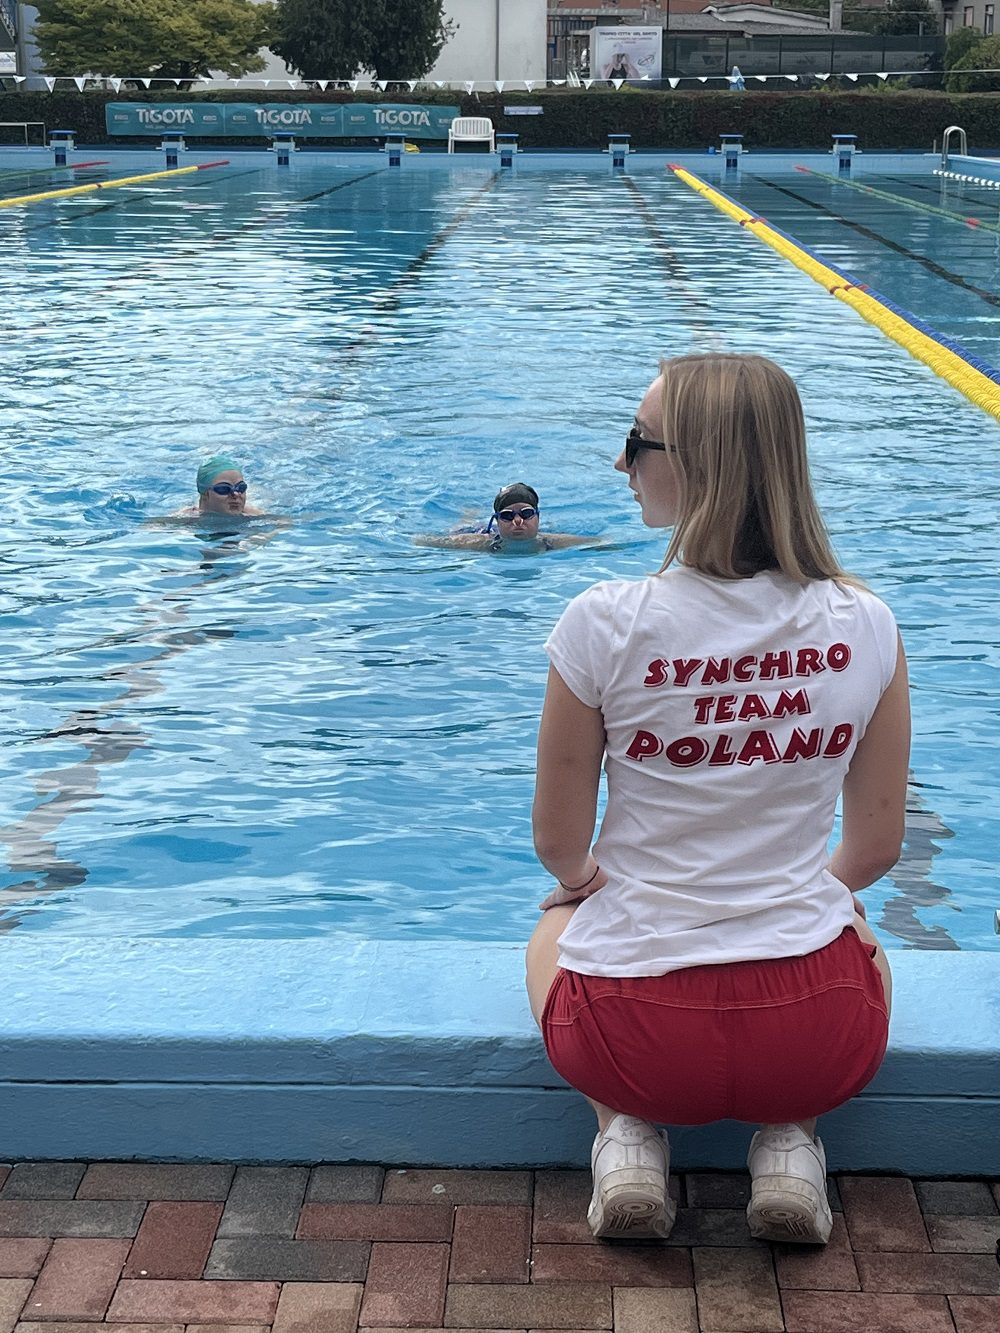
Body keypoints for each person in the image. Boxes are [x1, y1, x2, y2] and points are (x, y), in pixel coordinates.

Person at [525, 352, 908, 1246]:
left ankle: (624, 1136)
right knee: (859, 935)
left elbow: (557, 842)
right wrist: (810, 896)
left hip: (631, 1035)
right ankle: (792, 1143)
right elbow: (876, 848)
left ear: (699, 464)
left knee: (554, 926)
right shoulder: (868, 624)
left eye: (637, 442)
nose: (621, 462)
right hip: (814, 1035)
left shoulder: (603, 622)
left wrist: (583, 884)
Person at [416, 483, 598, 553]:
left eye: (526, 514)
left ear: (538, 517)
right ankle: (468, 514)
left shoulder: (554, 542)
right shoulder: (477, 542)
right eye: (507, 516)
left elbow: (602, 542)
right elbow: (422, 541)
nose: (517, 521)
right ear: (497, 521)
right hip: (480, 532)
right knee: (457, 529)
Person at [174, 456, 264, 519]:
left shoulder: (253, 515)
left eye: (241, 488)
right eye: (224, 489)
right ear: (205, 493)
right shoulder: (187, 517)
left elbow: (272, 528)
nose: (236, 494)